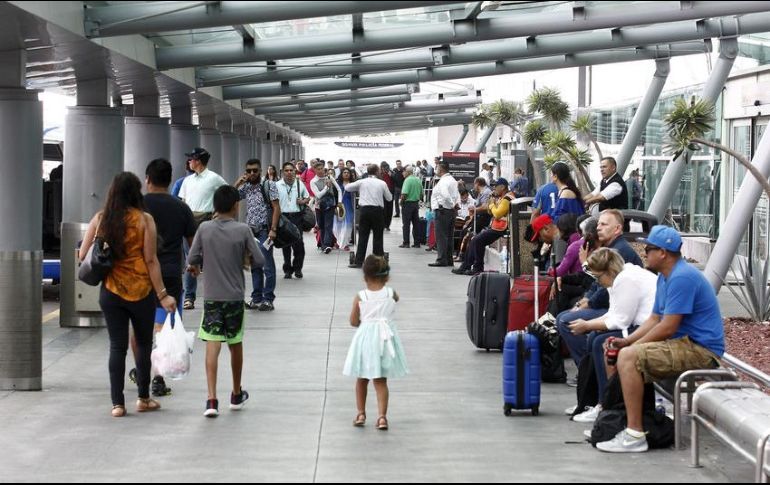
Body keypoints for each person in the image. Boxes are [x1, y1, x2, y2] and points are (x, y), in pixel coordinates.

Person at [596, 226, 724, 453]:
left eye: (649, 249)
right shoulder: (665, 277)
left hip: (701, 350)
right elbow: (654, 319)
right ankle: (616, 420)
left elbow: (667, 327)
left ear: (663, 252)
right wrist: (626, 342)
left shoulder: (682, 277)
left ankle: (635, 434)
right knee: (617, 351)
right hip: (682, 343)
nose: (644, 253)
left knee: (628, 358)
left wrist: (631, 347)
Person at [78, 172, 177, 418]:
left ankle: (117, 404)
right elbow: (151, 260)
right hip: (141, 291)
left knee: (116, 346)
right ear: (136, 192)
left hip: (111, 291)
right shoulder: (145, 220)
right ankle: (144, 398)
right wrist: (163, 294)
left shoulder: (102, 219)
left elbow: (82, 255)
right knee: (142, 345)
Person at [186, 185, 264, 418]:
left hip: (211, 296)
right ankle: (236, 393)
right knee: (235, 343)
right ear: (235, 206)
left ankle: (211, 400)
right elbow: (259, 260)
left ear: (215, 206)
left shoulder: (204, 228)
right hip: (234, 297)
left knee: (212, 344)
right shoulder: (243, 230)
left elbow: (192, 258)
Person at [563, 247, 657, 423]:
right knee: (594, 338)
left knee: (602, 343)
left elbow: (621, 320)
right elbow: (615, 313)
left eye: (599, 277)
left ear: (608, 271)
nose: (599, 282)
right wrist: (590, 326)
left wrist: (588, 325)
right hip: (641, 324)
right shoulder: (619, 277)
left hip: (647, 327)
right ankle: (597, 400)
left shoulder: (626, 280)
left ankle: (606, 403)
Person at [128, 159, 196, 398]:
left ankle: (142, 369)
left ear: (147, 179)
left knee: (139, 327)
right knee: (162, 328)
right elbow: (192, 242)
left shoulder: (138, 207)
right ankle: (156, 377)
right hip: (169, 275)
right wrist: (194, 265)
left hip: (140, 274)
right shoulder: (181, 207)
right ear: (169, 180)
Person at [343, 255, 409, 430]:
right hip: (384, 339)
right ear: (386, 276)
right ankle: (382, 417)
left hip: (365, 339)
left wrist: (363, 321)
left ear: (364, 276)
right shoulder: (390, 293)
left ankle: (361, 413)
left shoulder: (361, 296)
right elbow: (396, 298)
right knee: (380, 380)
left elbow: (353, 321)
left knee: (362, 378)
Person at [177, 147, 228, 310]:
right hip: (189, 221)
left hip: (207, 220)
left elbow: (229, 193)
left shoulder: (214, 178)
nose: (189, 162)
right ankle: (189, 297)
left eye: (191, 159)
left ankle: (213, 295)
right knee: (190, 258)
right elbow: (182, 202)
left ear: (198, 160)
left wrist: (219, 213)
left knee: (209, 259)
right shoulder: (187, 180)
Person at [235, 159, 280, 311]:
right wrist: (238, 183)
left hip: (264, 230)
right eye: (249, 171)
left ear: (260, 171)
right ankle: (256, 299)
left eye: (255, 170)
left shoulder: (268, 185)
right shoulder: (246, 187)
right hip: (250, 231)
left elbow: (276, 207)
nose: (252, 173)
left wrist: (273, 229)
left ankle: (268, 299)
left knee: (267, 265)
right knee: (255, 266)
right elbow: (230, 197)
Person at [452, 178, 511, 276]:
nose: (494, 188)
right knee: (475, 239)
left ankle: (476, 267)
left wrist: (492, 204)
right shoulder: (501, 197)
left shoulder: (507, 198)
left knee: (477, 240)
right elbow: (490, 211)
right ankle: (467, 266)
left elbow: (497, 214)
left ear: (503, 187)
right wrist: (492, 202)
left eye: (496, 186)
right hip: (496, 226)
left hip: (502, 228)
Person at [345, 164, 392, 268]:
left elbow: (347, 188)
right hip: (377, 211)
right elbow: (389, 198)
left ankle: (358, 262)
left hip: (365, 211)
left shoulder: (362, 182)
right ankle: (377, 262)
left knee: (363, 236)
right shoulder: (382, 183)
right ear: (376, 172)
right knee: (378, 237)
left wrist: (350, 181)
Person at [276, 161, 311, 279]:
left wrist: (303, 201)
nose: (289, 172)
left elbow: (307, 197)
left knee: (299, 244)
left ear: (294, 171)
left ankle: (297, 268)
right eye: (286, 170)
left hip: (297, 216)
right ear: (282, 172)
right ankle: (287, 269)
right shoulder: (277, 185)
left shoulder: (299, 184)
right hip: (283, 217)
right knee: (285, 244)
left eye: (291, 170)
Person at [429, 161, 460, 268]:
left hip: (442, 211)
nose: (436, 169)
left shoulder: (443, 182)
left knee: (441, 236)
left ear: (441, 169)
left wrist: (451, 204)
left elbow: (445, 195)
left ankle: (441, 259)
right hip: (450, 212)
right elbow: (457, 195)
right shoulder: (452, 180)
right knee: (449, 236)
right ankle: (449, 259)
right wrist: (455, 205)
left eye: (437, 167)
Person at [311, 161, 343, 254]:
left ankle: (327, 245)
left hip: (330, 205)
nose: (320, 171)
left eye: (321, 168)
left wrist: (339, 202)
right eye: (318, 169)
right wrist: (326, 187)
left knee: (328, 225)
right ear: (315, 170)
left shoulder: (330, 177)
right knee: (321, 226)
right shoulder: (313, 181)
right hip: (319, 206)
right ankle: (323, 244)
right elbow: (318, 195)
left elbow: (339, 190)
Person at [398, 167, 423, 249]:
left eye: (403, 172)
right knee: (416, 224)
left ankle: (406, 243)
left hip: (407, 204)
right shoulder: (418, 180)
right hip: (415, 204)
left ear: (407, 172)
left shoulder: (407, 180)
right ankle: (417, 243)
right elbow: (421, 194)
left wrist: (401, 202)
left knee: (406, 224)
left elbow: (404, 193)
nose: (402, 173)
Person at [334, 167, 357, 251]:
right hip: (339, 205)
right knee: (337, 225)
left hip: (349, 206)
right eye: (344, 172)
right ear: (341, 174)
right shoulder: (338, 183)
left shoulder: (353, 184)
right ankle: (338, 241)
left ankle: (345, 243)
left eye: (348, 172)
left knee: (348, 226)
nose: (346, 174)